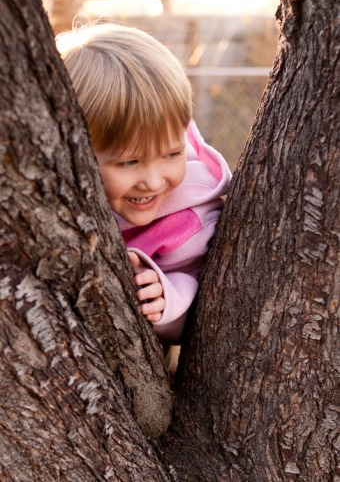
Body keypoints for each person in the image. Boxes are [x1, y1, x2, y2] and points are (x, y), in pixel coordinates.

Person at [56, 22, 232, 346]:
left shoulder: (191, 217)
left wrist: (168, 296)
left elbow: (199, 314)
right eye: (129, 162)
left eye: (171, 154)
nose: (153, 181)